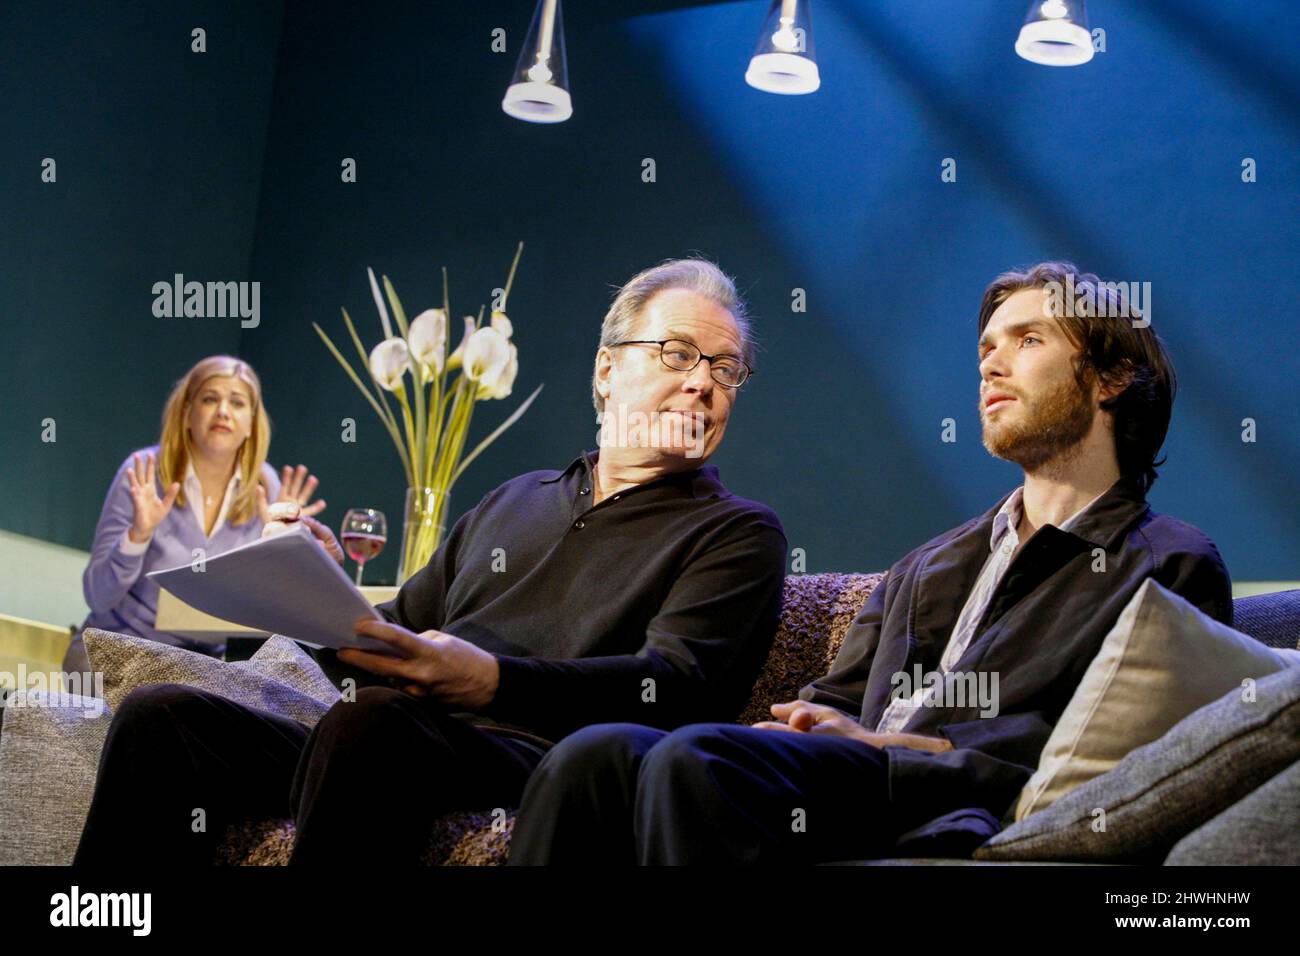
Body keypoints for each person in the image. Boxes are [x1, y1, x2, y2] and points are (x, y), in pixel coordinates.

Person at [506, 261, 1233, 865]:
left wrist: (896, 743)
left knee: (697, 762)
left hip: (952, 803)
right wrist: (807, 722)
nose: (990, 360)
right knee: (594, 757)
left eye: (1028, 339)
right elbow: (840, 701)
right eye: (986, 345)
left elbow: (1116, 757)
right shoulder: (926, 564)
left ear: (1110, 379)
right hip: (848, 781)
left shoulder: (1167, 562)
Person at [72, 258, 788, 866]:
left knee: (374, 724)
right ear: (607, 370)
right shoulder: (516, 499)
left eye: (727, 369)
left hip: (552, 762)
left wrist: (493, 682)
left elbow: (676, 687)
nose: (704, 383)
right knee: (161, 717)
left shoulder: (737, 532)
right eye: (679, 353)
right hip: (396, 738)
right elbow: (390, 637)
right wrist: (311, 592)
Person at [70, 355, 327, 672]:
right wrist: (137, 536)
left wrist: (283, 550)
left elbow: (278, 616)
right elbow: (98, 597)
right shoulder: (143, 472)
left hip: (203, 664)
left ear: (250, 424)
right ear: (187, 413)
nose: (223, 411)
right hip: (118, 647)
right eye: (210, 399)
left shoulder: (267, 486)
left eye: (237, 403)